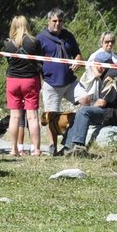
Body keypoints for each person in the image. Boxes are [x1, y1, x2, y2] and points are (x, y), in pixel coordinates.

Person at [63, 48, 117, 153]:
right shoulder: (107, 74)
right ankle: (67, 147)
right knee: (78, 114)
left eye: (96, 64)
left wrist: (87, 109)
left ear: (102, 65)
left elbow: (102, 102)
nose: (95, 67)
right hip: (109, 111)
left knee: (83, 111)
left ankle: (78, 146)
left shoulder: (113, 76)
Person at [36, 8, 80, 154]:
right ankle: (52, 146)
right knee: (50, 115)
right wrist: (41, 81)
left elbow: (77, 54)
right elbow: (35, 62)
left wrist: (77, 61)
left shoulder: (68, 36)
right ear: (49, 21)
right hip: (51, 83)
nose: (57, 24)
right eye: (54, 21)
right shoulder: (41, 38)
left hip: (69, 81)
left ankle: (75, 139)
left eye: (60, 21)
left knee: (87, 100)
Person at [1, 14, 43, 156]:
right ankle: (36, 149)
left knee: (14, 117)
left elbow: (8, 61)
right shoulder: (34, 42)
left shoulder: (7, 43)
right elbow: (40, 62)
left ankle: (13, 149)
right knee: (32, 117)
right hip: (30, 80)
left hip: (13, 80)